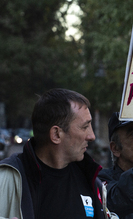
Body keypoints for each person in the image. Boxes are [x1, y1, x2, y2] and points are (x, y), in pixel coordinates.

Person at [0, 88, 109, 219]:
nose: (92, 136)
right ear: (56, 134)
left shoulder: (91, 180)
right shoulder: (8, 179)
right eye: (85, 127)